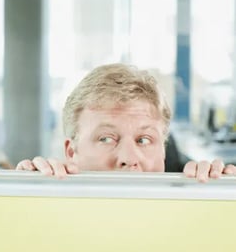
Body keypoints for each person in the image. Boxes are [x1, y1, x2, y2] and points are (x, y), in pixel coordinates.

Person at [16, 63, 236, 182]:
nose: (129, 159)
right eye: (106, 139)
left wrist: (218, 191)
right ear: (71, 152)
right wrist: (31, 190)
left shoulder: (191, 206)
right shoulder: (49, 203)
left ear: (163, 152)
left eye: (144, 139)